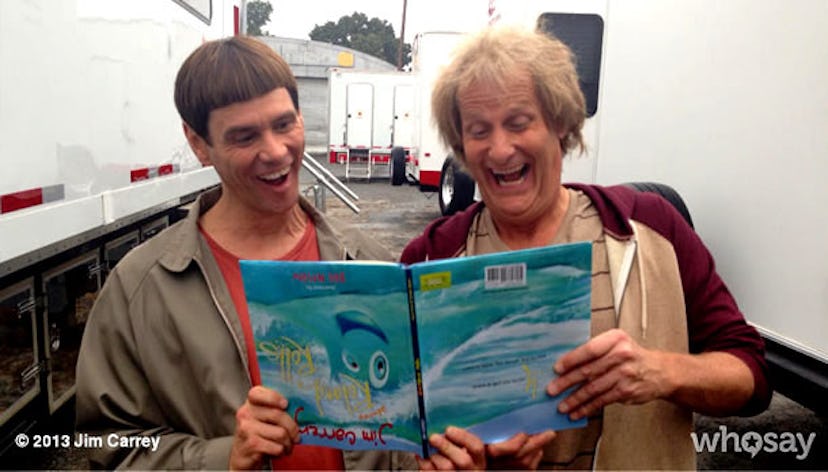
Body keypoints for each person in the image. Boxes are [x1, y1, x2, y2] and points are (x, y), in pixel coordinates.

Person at [75, 35, 547, 470]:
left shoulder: (368, 263)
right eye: (245, 136)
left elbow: (402, 429)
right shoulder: (143, 286)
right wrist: (223, 458)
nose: (276, 151)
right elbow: (102, 446)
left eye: (285, 124)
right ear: (199, 144)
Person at [400, 26, 771, 470]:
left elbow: (752, 375)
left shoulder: (648, 227)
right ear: (462, 144)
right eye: (480, 131)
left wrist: (663, 372)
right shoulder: (430, 257)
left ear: (560, 123)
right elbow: (404, 420)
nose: (500, 150)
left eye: (519, 123)